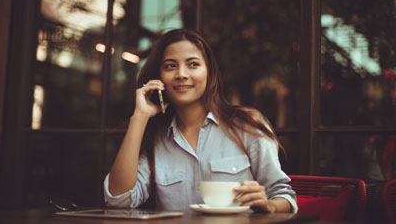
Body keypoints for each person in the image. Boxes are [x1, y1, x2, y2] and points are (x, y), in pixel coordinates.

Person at [103, 28, 298, 213]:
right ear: (159, 77)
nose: (181, 74)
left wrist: (269, 206)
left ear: (209, 72)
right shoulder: (156, 139)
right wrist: (139, 117)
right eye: (170, 66)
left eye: (193, 64)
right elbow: (118, 200)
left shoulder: (246, 124)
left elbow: (284, 196)